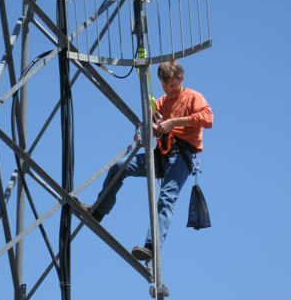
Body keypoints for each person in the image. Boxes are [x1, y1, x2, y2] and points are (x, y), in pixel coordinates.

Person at [87, 60, 213, 261]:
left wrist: (174, 122)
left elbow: (208, 118)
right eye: (165, 86)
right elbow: (149, 132)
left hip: (182, 156)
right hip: (161, 154)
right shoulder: (161, 103)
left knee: (167, 197)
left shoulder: (192, 97)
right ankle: (99, 211)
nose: (169, 90)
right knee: (120, 167)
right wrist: (145, 131)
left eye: (172, 85)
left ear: (181, 79)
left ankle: (151, 247)